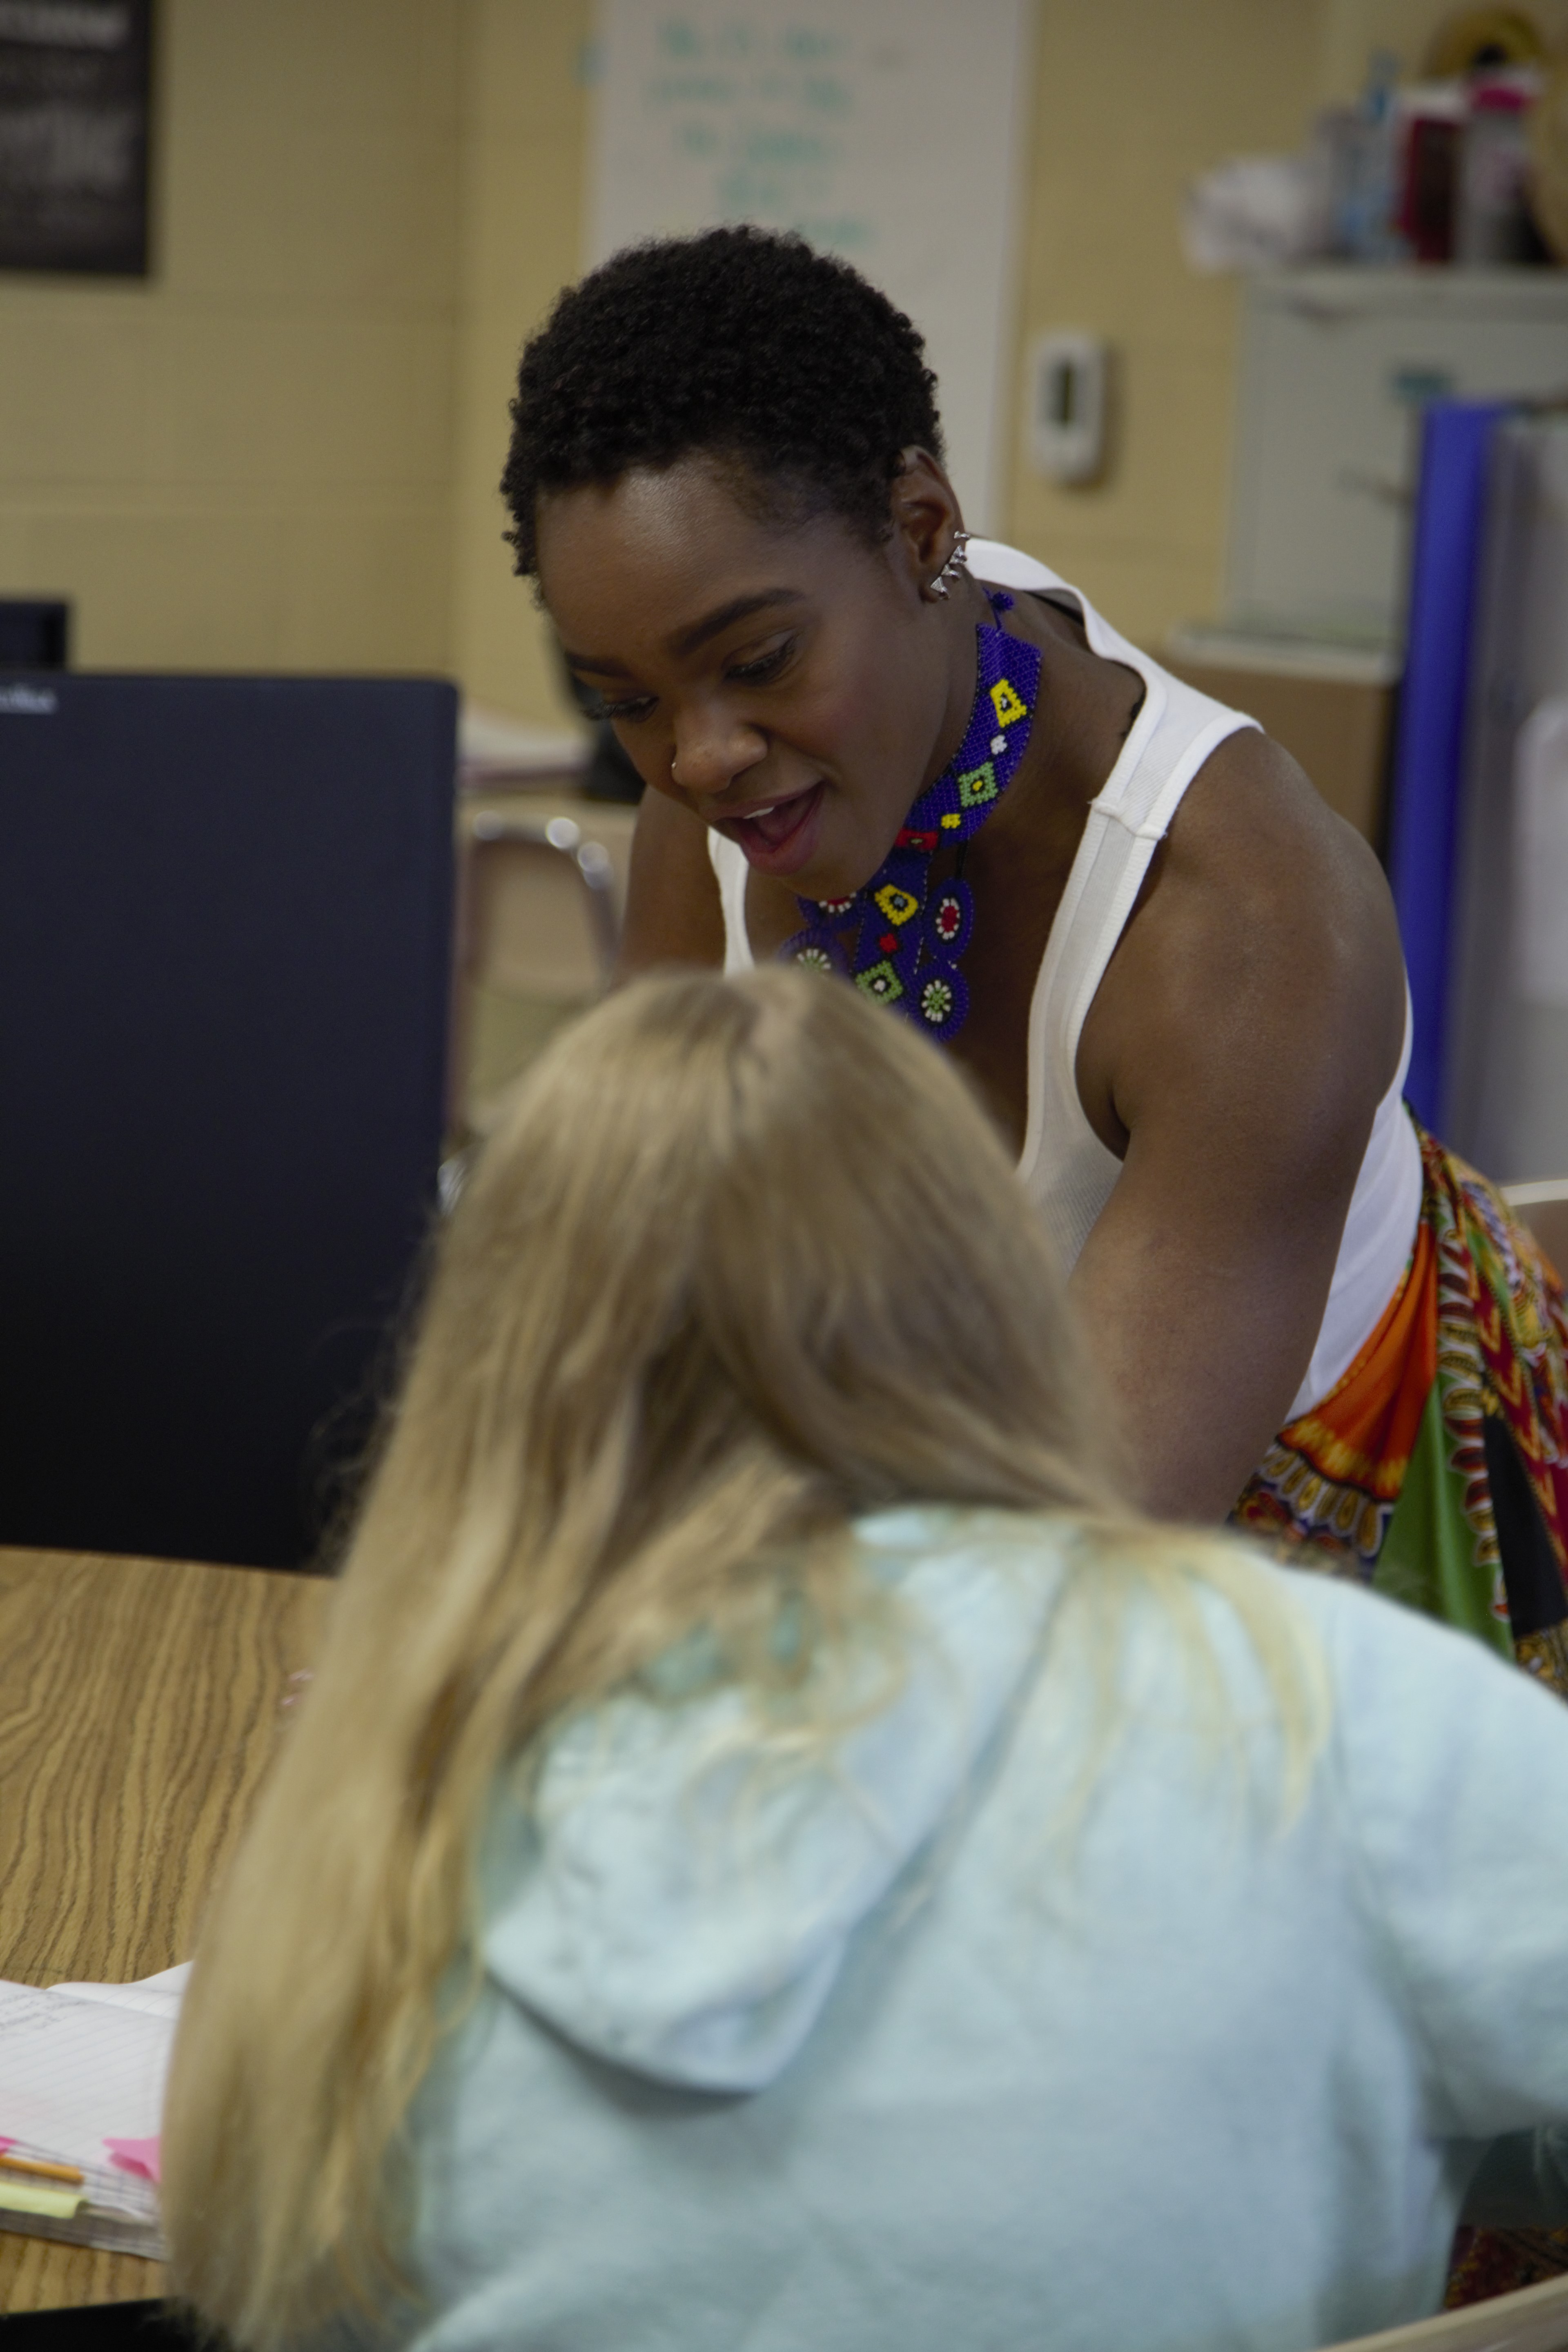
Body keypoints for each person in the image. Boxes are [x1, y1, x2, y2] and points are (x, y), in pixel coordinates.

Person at [160, 969, 1568, 2352]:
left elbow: (265, 2281)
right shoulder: (1323, 1707)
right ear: (1005, 1293)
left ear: (491, 1379)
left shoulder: (367, 1874)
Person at [497, 224, 1568, 1715]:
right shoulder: (716, 800)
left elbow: (1069, 1585)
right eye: (630, 701)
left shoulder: (1243, 925)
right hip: (948, 1508)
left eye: (760, 660)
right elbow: (661, 1304)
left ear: (924, 528)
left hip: (1346, 1532)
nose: (701, 757)